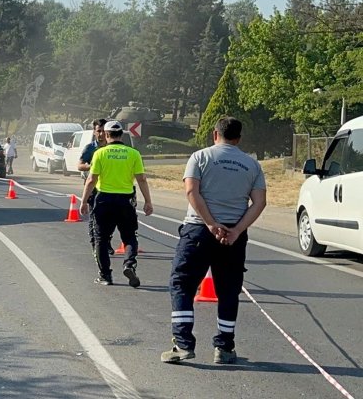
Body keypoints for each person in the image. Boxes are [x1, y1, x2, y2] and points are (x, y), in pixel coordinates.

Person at [161, 117, 266, 365]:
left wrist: (210, 222)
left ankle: (183, 344)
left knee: (182, 284)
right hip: (232, 237)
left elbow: (191, 191)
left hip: (198, 231)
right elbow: (259, 202)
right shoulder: (252, 164)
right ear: (239, 138)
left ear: (214, 134)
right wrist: (237, 230)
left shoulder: (199, 157)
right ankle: (225, 347)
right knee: (228, 291)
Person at [80, 121, 152, 287]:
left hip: (104, 200)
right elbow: (141, 179)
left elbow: (91, 180)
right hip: (125, 201)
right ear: (122, 135)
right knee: (129, 237)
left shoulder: (100, 153)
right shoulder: (134, 153)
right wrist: (148, 201)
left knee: (101, 239)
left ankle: (105, 275)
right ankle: (129, 264)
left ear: (106, 135)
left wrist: (84, 201)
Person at [78, 119, 114, 257]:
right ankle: (96, 244)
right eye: (98, 131)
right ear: (94, 132)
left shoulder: (111, 148)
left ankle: (106, 243)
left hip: (108, 188)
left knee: (110, 220)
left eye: (103, 131)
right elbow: (79, 165)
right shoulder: (90, 148)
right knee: (95, 218)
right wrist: (92, 166)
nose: (101, 134)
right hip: (93, 188)